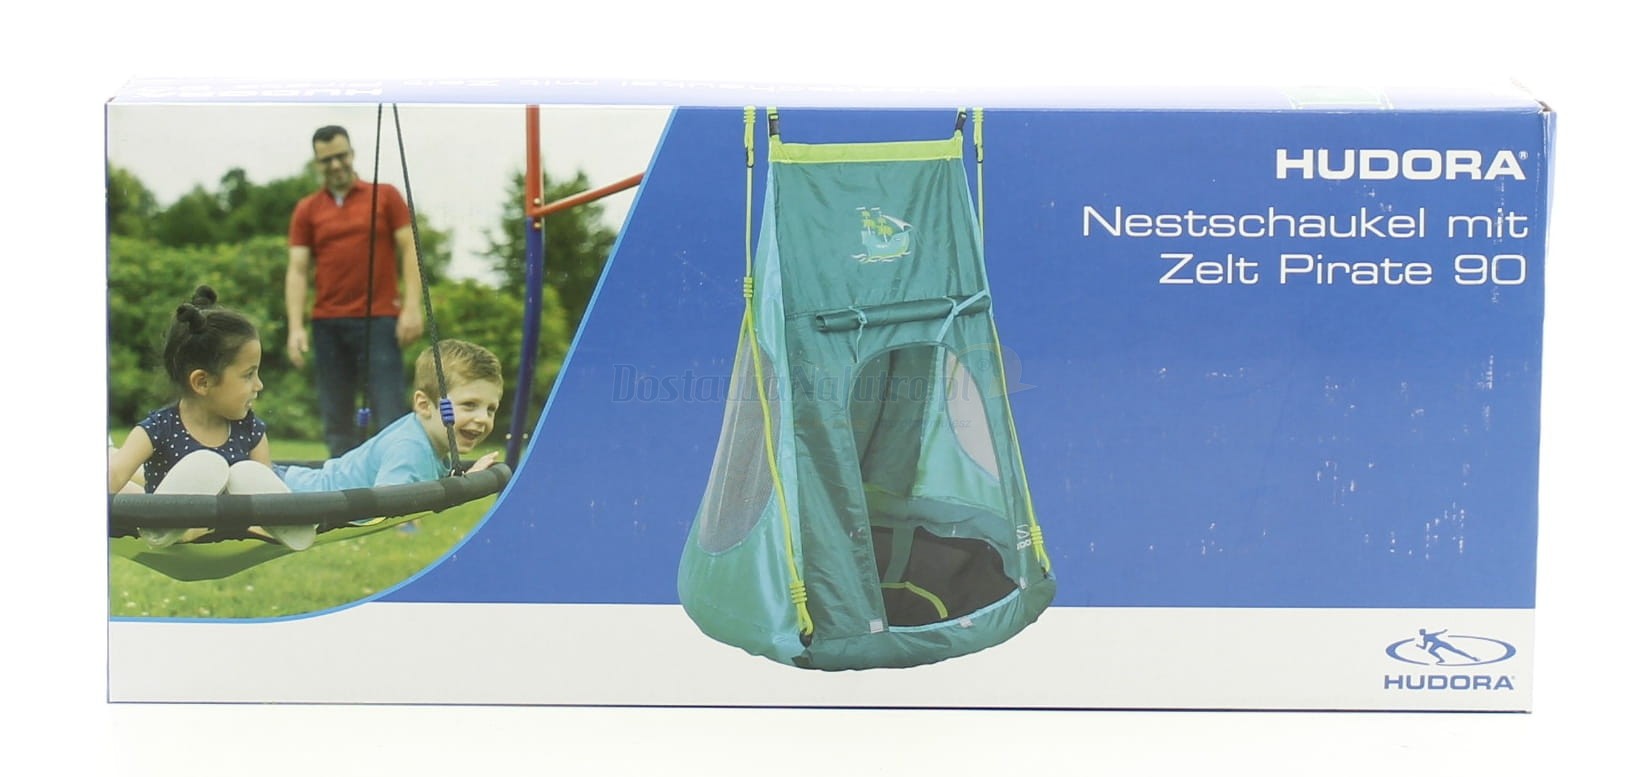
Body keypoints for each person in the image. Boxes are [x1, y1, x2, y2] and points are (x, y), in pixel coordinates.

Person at [107, 286, 316, 550]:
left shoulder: (251, 430)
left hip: (237, 524)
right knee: (204, 465)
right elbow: (114, 475)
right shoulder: (158, 429)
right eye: (248, 374)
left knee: (248, 474)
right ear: (202, 382)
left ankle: (278, 524)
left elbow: (263, 487)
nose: (259, 385)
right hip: (169, 527)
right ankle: (170, 526)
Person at [287, 124, 425, 458]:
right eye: (326, 160)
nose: (335, 165)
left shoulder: (386, 196)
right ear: (317, 163)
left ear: (352, 154)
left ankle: (399, 485)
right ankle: (344, 490)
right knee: (336, 419)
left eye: (341, 156)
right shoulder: (307, 209)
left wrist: (412, 307)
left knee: (390, 412)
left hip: (379, 320)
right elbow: (298, 269)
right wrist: (295, 327)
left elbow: (410, 250)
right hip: (327, 323)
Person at [278, 339, 503, 494]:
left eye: (490, 409)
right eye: (469, 405)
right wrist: (464, 486)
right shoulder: (409, 448)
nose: (482, 418)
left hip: (294, 488)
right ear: (424, 405)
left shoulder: (430, 441)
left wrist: (466, 478)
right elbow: (390, 501)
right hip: (289, 493)